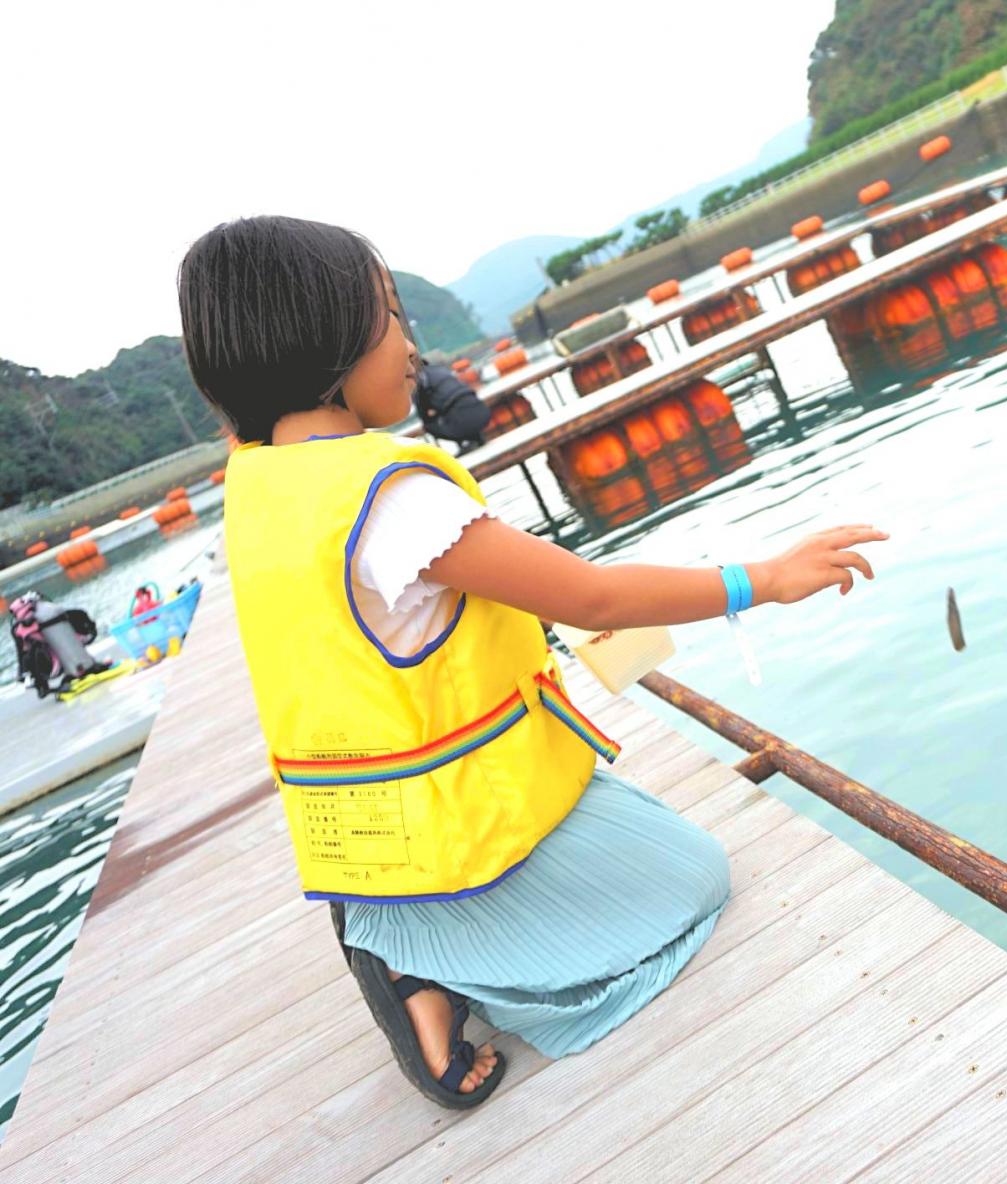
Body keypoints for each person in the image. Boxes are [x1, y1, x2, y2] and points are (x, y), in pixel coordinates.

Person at [176, 215, 885, 1108]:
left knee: (625, 829)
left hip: (354, 843)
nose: (409, 344)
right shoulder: (388, 500)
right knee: (695, 878)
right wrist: (765, 578)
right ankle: (426, 957)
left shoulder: (260, 485)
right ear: (327, 335)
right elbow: (590, 599)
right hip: (456, 838)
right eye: (390, 315)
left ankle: (401, 932)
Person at [413, 356, 490, 450]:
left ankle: (466, 442)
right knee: (452, 410)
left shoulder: (419, 379)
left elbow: (422, 411)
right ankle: (475, 438)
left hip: (461, 419)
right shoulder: (441, 369)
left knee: (429, 425)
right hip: (481, 410)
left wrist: (434, 411)